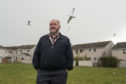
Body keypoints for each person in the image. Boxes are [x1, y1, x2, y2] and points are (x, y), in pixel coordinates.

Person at [32, 19, 73, 84]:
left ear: (59, 26)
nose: (52, 26)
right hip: (43, 73)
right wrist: (36, 67)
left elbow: (69, 55)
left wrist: (68, 68)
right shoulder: (42, 39)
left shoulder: (65, 39)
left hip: (60, 73)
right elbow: (37, 53)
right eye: (51, 24)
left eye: (54, 24)